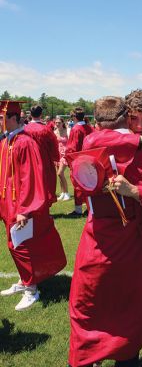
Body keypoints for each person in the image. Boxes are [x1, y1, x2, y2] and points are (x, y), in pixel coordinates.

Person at [68, 95, 142, 367]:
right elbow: (90, 142)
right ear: (125, 118)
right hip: (110, 244)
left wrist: (136, 192)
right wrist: (139, 141)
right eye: (134, 119)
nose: (140, 126)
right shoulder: (113, 141)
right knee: (98, 307)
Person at [0, 100, 67, 311]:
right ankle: (24, 280)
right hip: (8, 202)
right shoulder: (7, 142)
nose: (0, 121)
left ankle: (32, 290)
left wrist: (25, 210)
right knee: (14, 243)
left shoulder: (24, 143)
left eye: (2, 118)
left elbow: (30, 177)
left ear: (13, 118)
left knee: (23, 245)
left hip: (22, 204)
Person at [24, 105, 60, 207]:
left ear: (30, 114)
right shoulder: (46, 129)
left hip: (28, 162)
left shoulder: (25, 130)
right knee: (45, 184)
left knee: (31, 184)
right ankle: (44, 207)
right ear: (41, 114)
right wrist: (55, 158)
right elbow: (54, 145)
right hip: (44, 161)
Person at [66, 107, 93, 216]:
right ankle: (90, 208)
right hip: (90, 160)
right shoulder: (89, 128)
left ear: (74, 117)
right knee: (89, 184)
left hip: (78, 160)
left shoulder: (76, 129)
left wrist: (69, 160)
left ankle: (78, 210)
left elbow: (73, 147)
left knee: (78, 185)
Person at [54, 117, 70, 201]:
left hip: (65, 155)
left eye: (59, 122)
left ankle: (67, 193)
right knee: (59, 175)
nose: (57, 124)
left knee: (60, 173)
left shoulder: (67, 131)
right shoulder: (54, 132)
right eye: (56, 122)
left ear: (62, 123)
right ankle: (62, 193)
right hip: (57, 154)